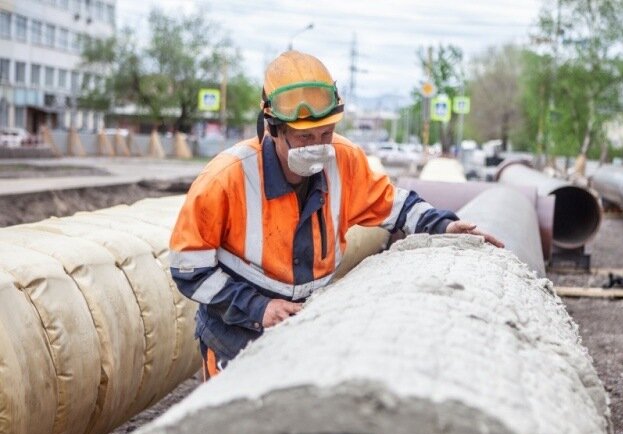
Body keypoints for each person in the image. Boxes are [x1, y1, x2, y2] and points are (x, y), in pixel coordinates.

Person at [169, 50, 503, 380]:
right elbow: (189, 268)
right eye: (304, 137)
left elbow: (394, 205)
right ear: (273, 129)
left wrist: (444, 225)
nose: (317, 146)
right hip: (234, 338)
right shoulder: (227, 179)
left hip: (306, 329)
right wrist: (258, 309)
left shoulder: (343, 160)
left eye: (325, 133)